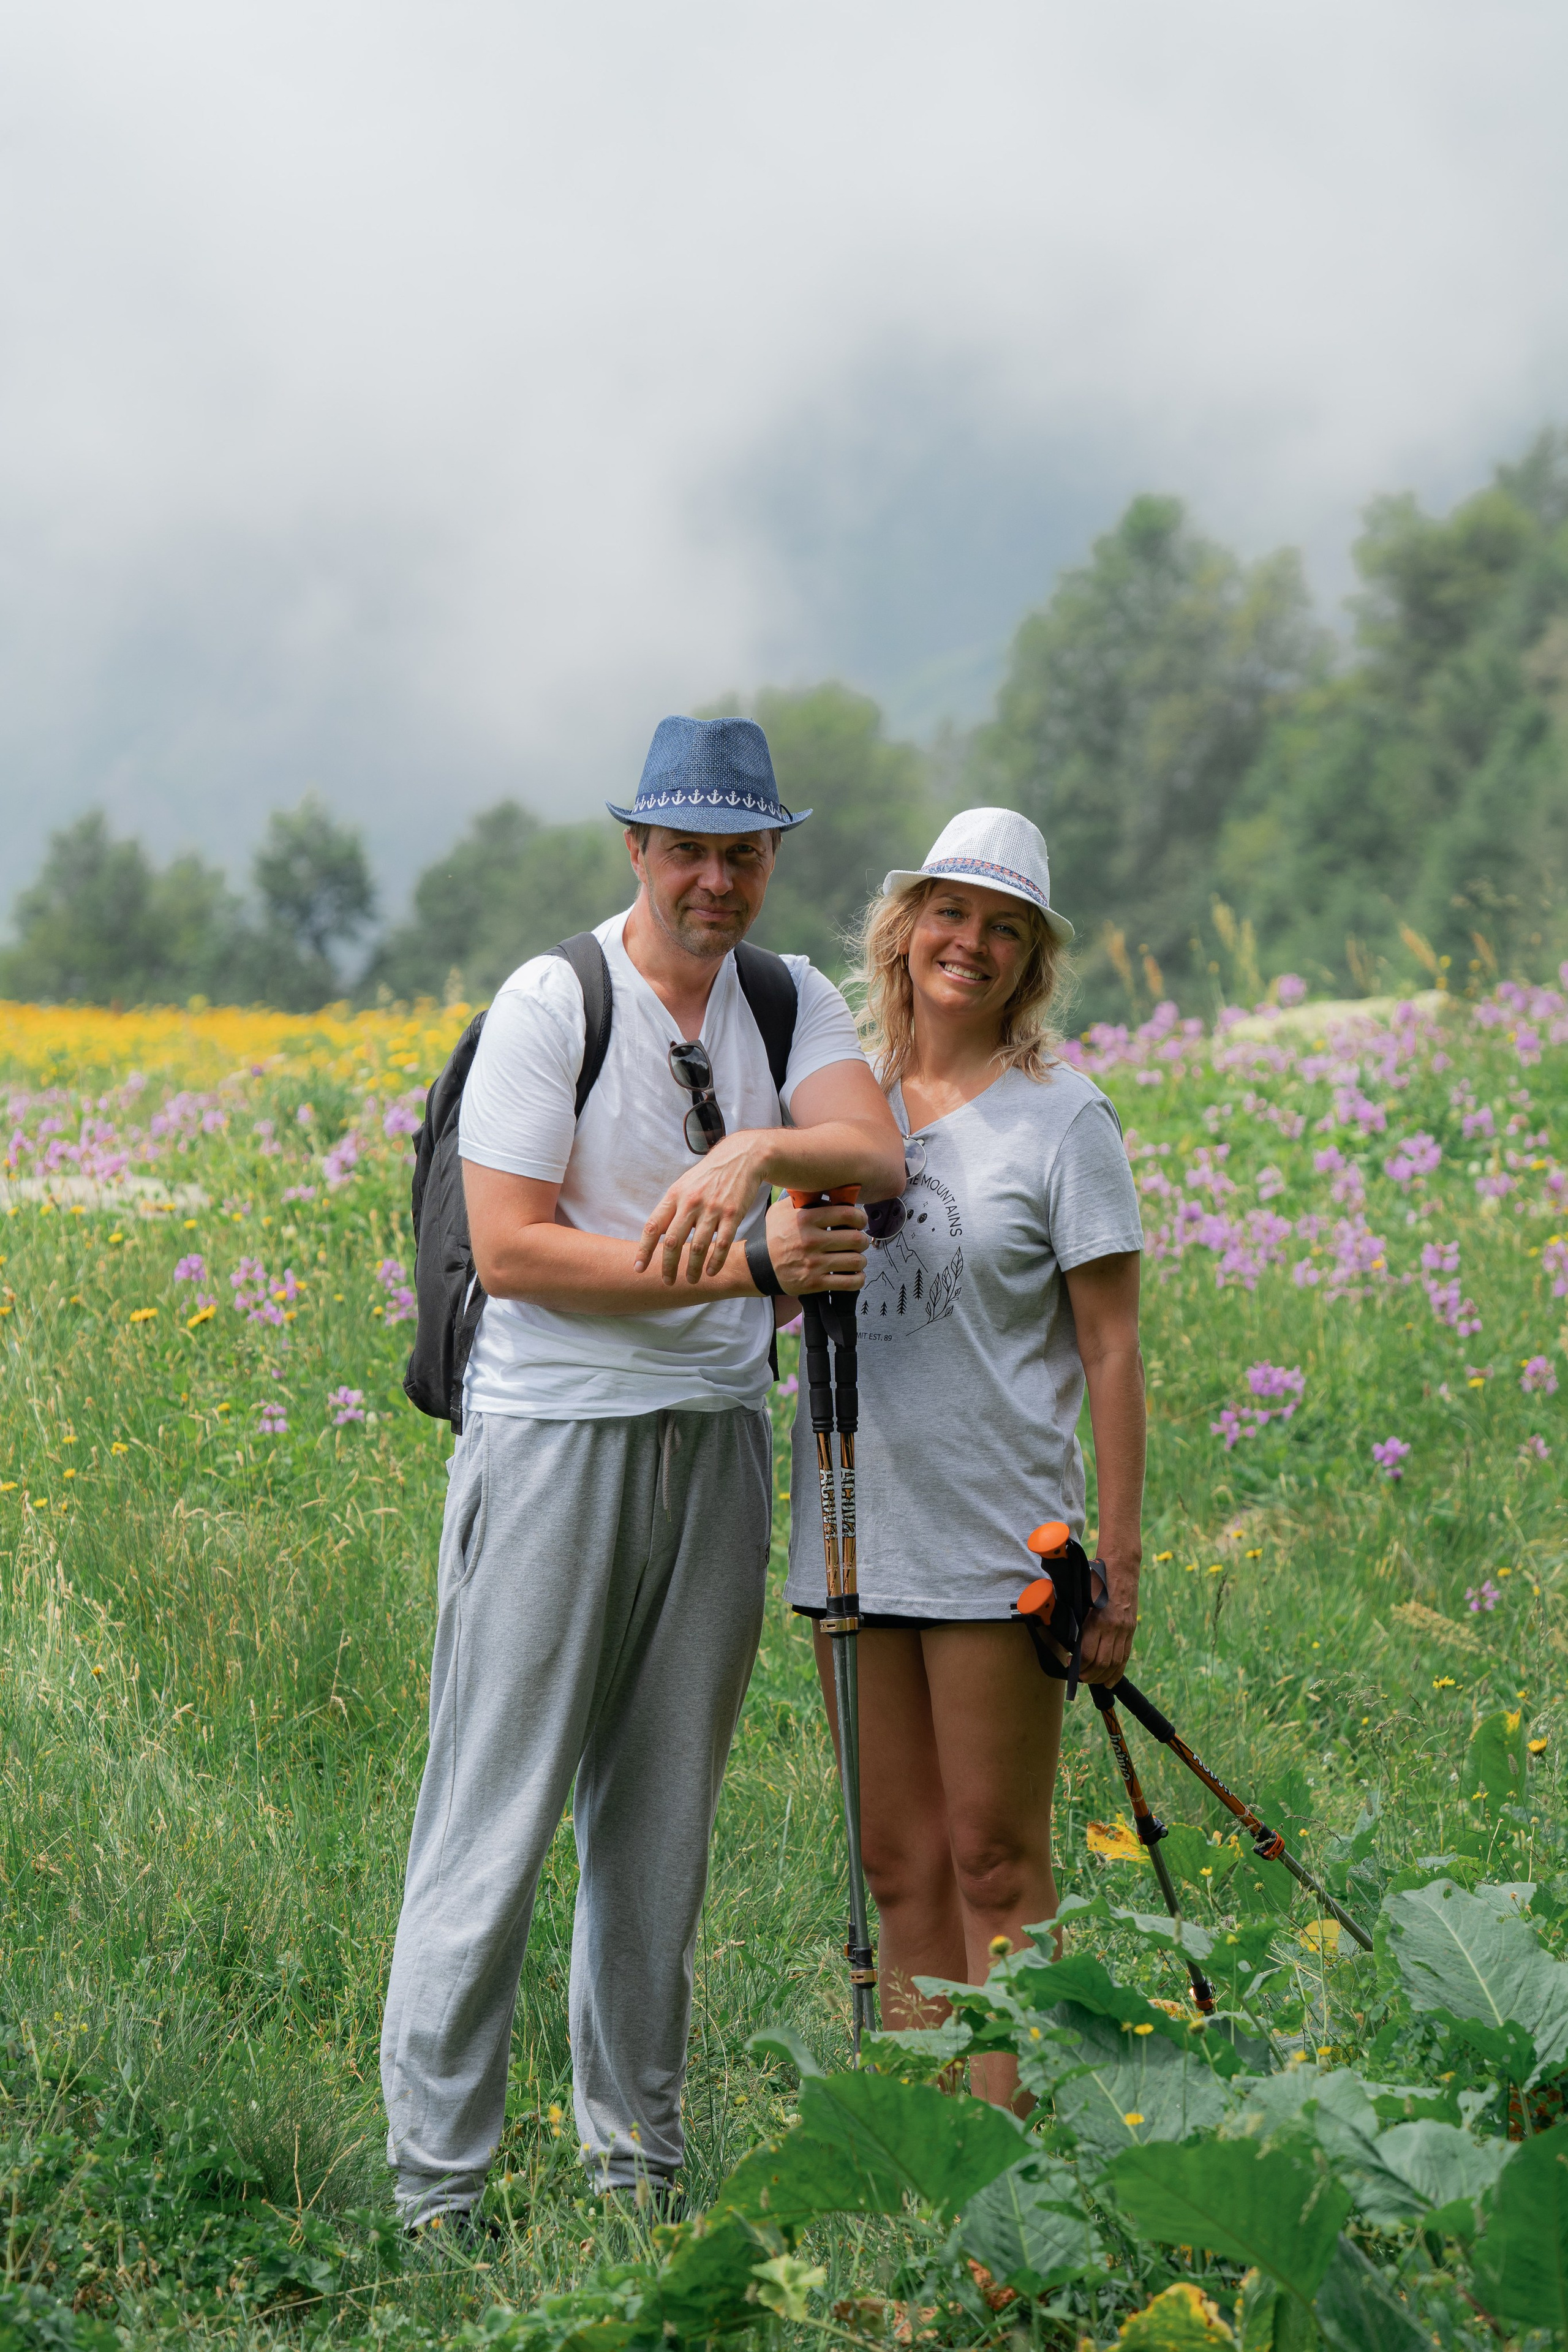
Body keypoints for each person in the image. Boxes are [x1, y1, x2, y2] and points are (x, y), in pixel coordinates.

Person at [381, 715, 904, 2225]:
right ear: (638, 850)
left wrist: (756, 1156)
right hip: (552, 1436)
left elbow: (872, 1157)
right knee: (495, 1808)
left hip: (715, 1443)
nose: (716, 882)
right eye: (688, 851)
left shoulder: (786, 999)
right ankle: (436, 2199)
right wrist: (747, 1265)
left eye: (742, 854)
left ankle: (636, 2172)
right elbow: (513, 1250)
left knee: (659, 1825)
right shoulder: (557, 999)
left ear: (769, 857)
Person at [781, 807, 1145, 2105]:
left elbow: (1108, 1350)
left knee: (994, 1860)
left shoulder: (1063, 1120)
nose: (970, 943)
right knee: (895, 1864)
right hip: (849, 1535)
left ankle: (1011, 2173)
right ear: (904, 927)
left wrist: (1118, 1566)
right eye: (950, 912)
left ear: (1031, 961)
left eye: (1004, 928)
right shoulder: (836, 1106)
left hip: (1001, 1548)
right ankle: (933, 2164)